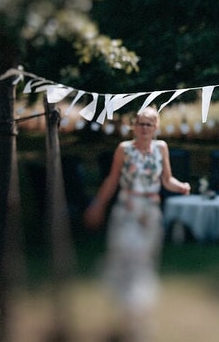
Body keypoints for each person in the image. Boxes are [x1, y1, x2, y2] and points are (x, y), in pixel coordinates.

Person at [83, 107, 190, 340]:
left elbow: (167, 179)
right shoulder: (124, 149)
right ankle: (126, 314)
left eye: (149, 124)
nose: (144, 128)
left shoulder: (161, 148)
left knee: (144, 263)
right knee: (125, 259)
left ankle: (138, 316)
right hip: (127, 211)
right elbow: (112, 180)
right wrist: (98, 205)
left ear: (156, 128)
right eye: (140, 123)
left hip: (150, 214)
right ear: (134, 126)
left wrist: (180, 186)